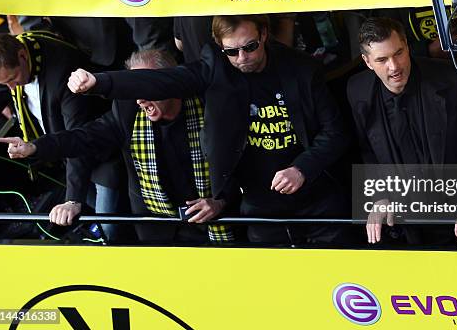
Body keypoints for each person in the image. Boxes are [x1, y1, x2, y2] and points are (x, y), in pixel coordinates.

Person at [65, 14, 350, 244]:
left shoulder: (300, 68)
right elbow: (162, 81)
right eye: (232, 51)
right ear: (220, 47)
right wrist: (101, 83)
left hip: (317, 197)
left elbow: (335, 132)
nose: (242, 58)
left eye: (250, 47)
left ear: (264, 34)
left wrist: (301, 169)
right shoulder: (216, 67)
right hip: (259, 205)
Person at [0, 49, 232, 244]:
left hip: (215, 229)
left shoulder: (209, 107)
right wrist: (34, 147)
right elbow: (84, 137)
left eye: (146, 88)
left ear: (167, 82)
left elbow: (239, 164)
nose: (140, 99)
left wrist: (221, 201)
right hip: (156, 233)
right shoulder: (127, 112)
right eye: (134, 89)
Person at [346, 17, 457, 244]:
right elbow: (365, 151)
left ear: (407, 46)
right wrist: (380, 196)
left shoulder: (452, 80)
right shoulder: (357, 91)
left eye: (398, 53)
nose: (394, 66)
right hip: (404, 225)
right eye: (382, 59)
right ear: (367, 62)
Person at [0, 31, 113, 228]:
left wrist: (72, 200)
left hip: (101, 159)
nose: (12, 89)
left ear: (22, 56)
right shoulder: (9, 65)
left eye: (13, 79)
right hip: (63, 158)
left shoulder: (65, 71)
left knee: (110, 229)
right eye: (5, 84)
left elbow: (78, 137)